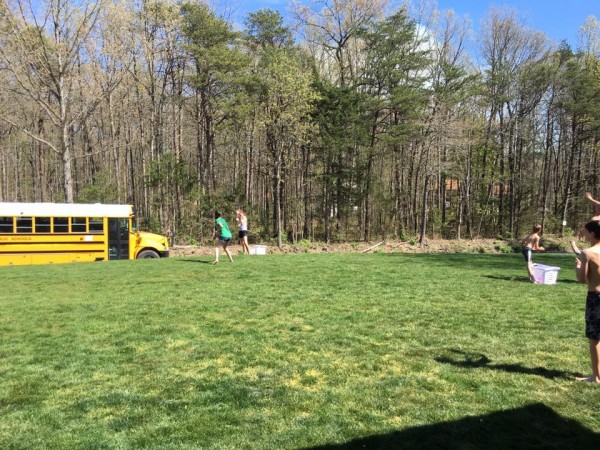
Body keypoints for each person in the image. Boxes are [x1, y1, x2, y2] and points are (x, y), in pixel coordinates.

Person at [574, 220, 600, 384]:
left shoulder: (587, 253)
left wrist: (577, 266)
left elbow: (582, 279)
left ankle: (596, 377)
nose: (583, 234)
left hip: (596, 298)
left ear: (592, 234)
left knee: (595, 339)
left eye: (585, 231)